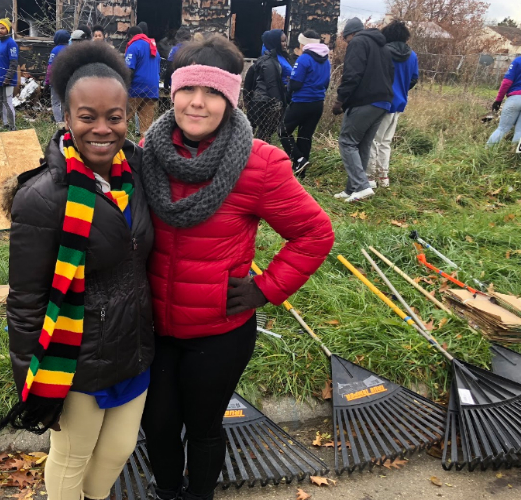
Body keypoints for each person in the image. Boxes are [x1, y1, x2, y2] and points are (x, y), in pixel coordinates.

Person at [139, 36, 334, 500]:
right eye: (188, 89)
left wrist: (265, 290)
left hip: (218, 332)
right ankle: (167, 492)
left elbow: (314, 233)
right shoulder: (147, 151)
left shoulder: (260, 163)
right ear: (172, 90)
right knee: (159, 426)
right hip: (151, 328)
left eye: (213, 92)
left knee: (203, 428)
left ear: (232, 96)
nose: (198, 103)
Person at [2, 40, 154, 500]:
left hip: (133, 344)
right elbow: (25, 300)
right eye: (88, 117)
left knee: (120, 449)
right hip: (74, 358)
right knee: (72, 457)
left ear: (129, 117)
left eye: (115, 116)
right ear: (66, 119)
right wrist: (32, 380)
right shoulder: (43, 197)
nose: (103, 129)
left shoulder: (140, 172)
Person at [332, 17, 394, 203]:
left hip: (364, 101)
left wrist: (340, 100)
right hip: (384, 102)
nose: (346, 43)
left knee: (347, 142)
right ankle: (352, 189)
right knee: (363, 144)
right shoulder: (382, 46)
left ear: (350, 34)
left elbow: (352, 73)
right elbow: (391, 74)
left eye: (345, 39)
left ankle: (362, 186)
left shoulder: (358, 42)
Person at [367, 19, 418, 189]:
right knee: (386, 142)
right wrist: (402, 90)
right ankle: (383, 178)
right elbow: (414, 79)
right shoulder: (413, 55)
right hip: (399, 103)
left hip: (381, 102)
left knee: (373, 141)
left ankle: (369, 178)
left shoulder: (383, 52)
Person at [279, 29, 331, 177]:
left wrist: (288, 93)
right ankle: (301, 172)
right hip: (318, 103)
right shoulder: (326, 61)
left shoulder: (304, 59)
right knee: (305, 136)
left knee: (283, 131)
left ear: (304, 44)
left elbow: (295, 84)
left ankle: (298, 159)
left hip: (301, 102)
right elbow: (326, 83)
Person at [244, 30, 292, 142]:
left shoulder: (279, 57)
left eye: (285, 41)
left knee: (264, 134)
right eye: (282, 41)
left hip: (270, 100)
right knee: (264, 135)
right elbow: (271, 84)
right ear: (275, 42)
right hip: (267, 102)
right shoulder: (270, 61)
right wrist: (278, 102)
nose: (285, 44)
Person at [125, 26, 160, 136]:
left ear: (131, 36)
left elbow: (129, 70)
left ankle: (119, 149)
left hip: (136, 88)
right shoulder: (153, 47)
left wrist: (125, 87)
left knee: (121, 119)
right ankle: (145, 149)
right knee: (146, 127)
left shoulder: (134, 46)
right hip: (152, 90)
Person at [487, 53, 521, 147]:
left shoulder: (518, 61)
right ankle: (514, 156)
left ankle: (486, 152)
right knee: (520, 131)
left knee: (502, 129)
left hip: (515, 99)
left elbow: (507, 82)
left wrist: (498, 100)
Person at [0, 18, 19, 130]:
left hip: (7, 79)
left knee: (7, 102)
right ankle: (5, 124)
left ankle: (12, 126)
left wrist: (8, 77)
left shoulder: (11, 44)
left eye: (2, 28)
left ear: (8, 30)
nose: (0, 30)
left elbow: (13, 63)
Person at [46, 29, 71, 126]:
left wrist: (47, 82)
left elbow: (50, 68)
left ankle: (58, 122)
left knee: (56, 102)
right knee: (65, 102)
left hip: (56, 80)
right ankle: (66, 121)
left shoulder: (55, 50)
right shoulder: (70, 49)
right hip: (67, 81)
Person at [164, 26, 191, 91]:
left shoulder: (175, 49)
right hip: (190, 83)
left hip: (177, 82)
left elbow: (169, 67)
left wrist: (166, 84)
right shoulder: (193, 50)